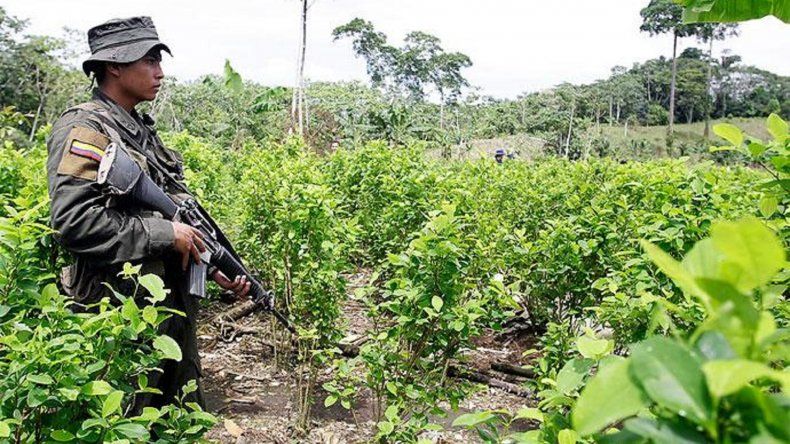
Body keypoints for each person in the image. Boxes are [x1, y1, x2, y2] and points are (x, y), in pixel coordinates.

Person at [46, 16, 249, 411]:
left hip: (168, 311)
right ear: (114, 66)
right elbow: (75, 222)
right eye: (149, 60)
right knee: (127, 419)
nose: (160, 72)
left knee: (175, 418)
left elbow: (176, 212)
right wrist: (164, 234)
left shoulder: (140, 130)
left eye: (160, 60)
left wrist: (210, 264)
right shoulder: (86, 128)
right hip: (120, 316)